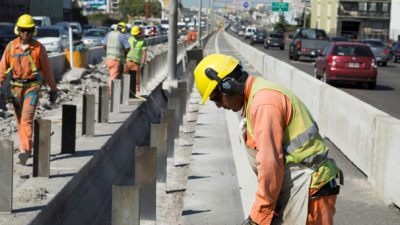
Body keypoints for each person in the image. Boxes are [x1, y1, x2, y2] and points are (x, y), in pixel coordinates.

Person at [193, 54, 343, 225]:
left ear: (229, 87)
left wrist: (259, 215)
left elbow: (270, 164)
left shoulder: (262, 104)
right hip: (299, 184)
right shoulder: (258, 95)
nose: (219, 105)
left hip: (310, 189)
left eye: (216, 98)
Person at [0, 14, 58, 165]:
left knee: (26, 118)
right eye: (23, 30)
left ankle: (23, 149)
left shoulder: (39, 48)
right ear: (18, 30)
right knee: (20, 121)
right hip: (15, 89)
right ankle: (27, 148)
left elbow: (47, 70)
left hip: (32, 88)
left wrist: (53, 89)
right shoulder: (11, 47)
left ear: (33, 31)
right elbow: (2, 68)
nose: (26, 33)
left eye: (29, 30)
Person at [102, 22, 130, 96]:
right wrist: (125, 54)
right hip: (116, 60)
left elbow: (104, 44)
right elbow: (127, 47)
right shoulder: (122, 36)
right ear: (123, 29)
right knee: (114, 78)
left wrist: (108, 52)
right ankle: (111, 94)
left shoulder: (109, 34)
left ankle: (115, 93)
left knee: (112, 76)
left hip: (108, 59)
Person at [124, 26, 147, 92]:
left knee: (136, 78)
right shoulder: (130, 39)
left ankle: (136, 90)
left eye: (136, 34)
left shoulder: (142, 41)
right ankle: (126, 90)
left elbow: (144, 53)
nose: (134, 35)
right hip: (128, 61)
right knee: (126, 76)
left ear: (138, 33)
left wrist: (143, 62)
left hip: (136, 62)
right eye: (133, 34)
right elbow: (126, 50)